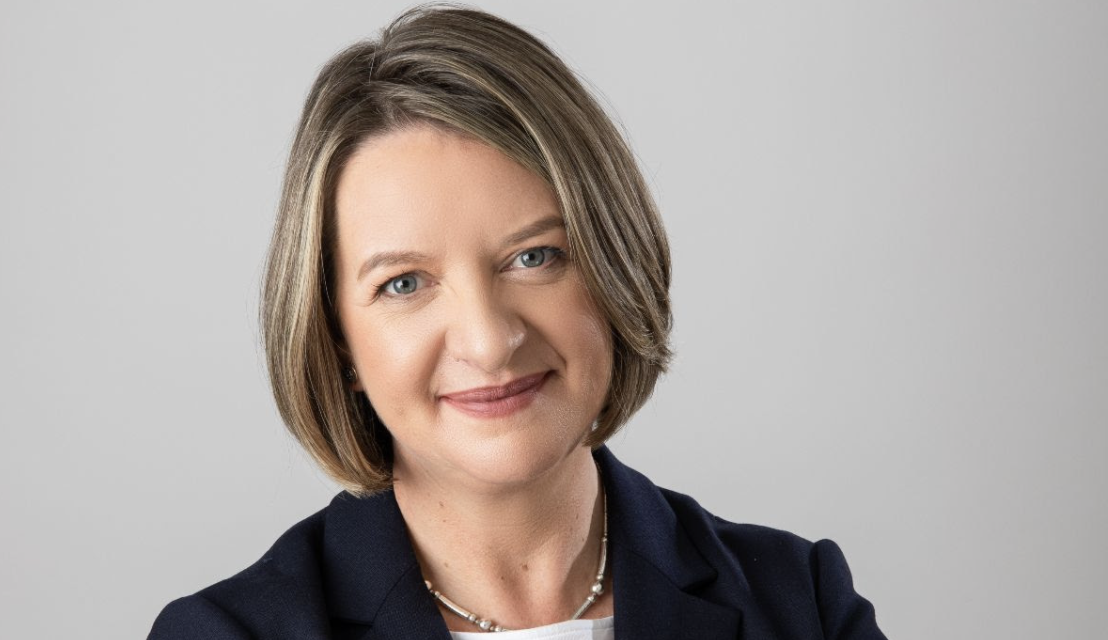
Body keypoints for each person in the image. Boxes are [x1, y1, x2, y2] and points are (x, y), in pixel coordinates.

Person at [149, 6, 886, 639]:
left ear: (615, 266)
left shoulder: (802, 604)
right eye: (403, 283)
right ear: (337, 340)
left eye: (534, 257)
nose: (489, 340)